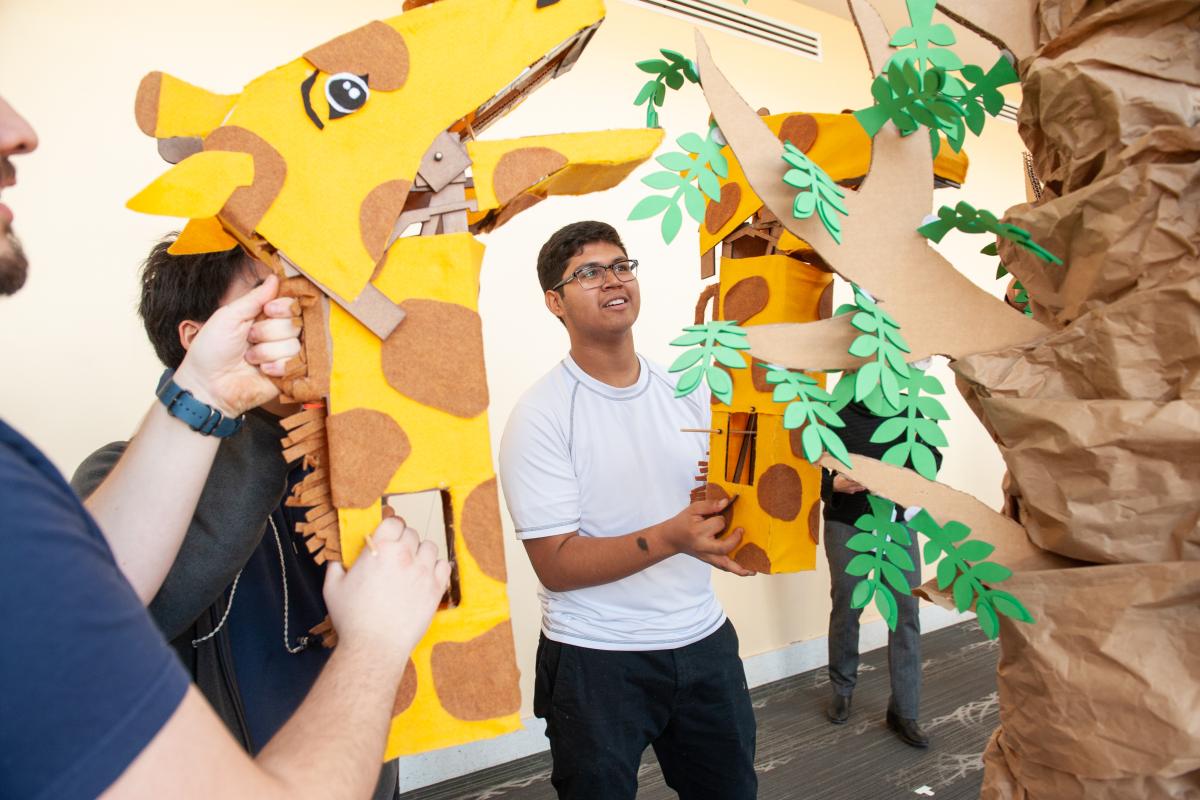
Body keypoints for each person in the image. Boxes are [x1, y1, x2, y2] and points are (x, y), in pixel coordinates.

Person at [0, 93, 449, 800]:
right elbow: (136, 606)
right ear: (198, 335)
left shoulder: (346, 455)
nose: (314, 291)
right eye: (275, 269)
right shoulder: (109, 476)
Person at [70, 237, 398, 799]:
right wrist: (252, 412)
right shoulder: (111, 478)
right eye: (266, 289)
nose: (302, 305)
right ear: (198, 339)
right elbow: (131, 619)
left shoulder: (333, 463)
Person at [498, 220, 758, 800]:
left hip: (703, 640)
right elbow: (556, 565)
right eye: (587, 272)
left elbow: (712, 502)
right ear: (554, 302)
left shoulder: (688, 389)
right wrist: (673, 536)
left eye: (621, 266)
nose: (612, 280)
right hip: (597, 657)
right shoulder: (540, 416)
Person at [820, 376, 942, 749]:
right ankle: (842, 688)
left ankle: (905, 710)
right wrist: (834, 486)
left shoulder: (912, 409)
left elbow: (932, 460)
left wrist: (900, 479)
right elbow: (805, 470)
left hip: (897, 524)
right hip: (846, 523)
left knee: (905, 612)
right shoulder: (831, 411)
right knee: (847, 605)